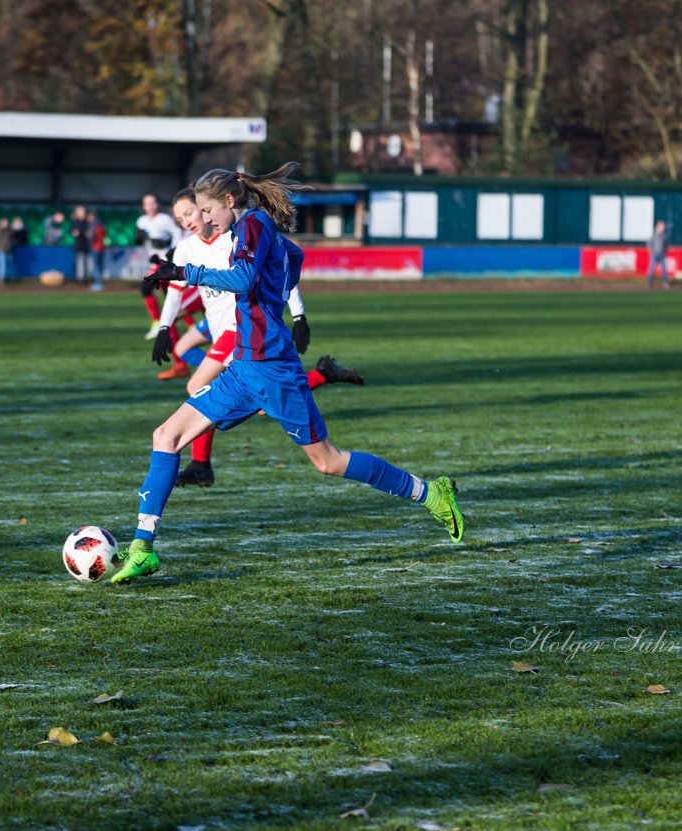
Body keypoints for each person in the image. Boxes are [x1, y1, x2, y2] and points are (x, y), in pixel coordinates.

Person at [110, 163, 464, 584]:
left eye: (206, 211)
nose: (203, 220)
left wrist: (186, 272)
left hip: (273, 368)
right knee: (165, 436)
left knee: (329, 462)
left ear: (228, 200)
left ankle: (430, 493)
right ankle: (143, 548)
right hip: (244, 367)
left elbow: (243, 278)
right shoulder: (247, 229)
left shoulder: (253, 225)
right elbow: (293, 257)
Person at [154, 187, 365, 488]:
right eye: (182, 217)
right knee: (259, 400)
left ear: (214, 206)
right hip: (219, 328)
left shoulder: (239, 232)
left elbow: (282, 264)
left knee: (196, 384)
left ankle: (201, 465)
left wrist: (298, 314)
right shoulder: (187, 247)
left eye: (195, 211)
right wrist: (164, 327)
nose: (192, 219)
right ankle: (321, 374)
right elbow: (179, 294)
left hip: (240, 331)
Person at [136, 193, 184, 339]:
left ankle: (157, 322)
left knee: (146, 287)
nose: (150, 206)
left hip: (164, 262)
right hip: (153, 261)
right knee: (168, 294)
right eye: (147, 203)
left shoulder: (164, 219)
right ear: (143, 206)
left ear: (157, 204)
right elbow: (140, 240)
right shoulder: (141, 221)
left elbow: (177, 234)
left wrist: (170, 249)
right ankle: (188, 324)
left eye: (153, 203)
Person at [70, 205, 92, 284]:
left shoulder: (87, 221)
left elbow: (89, 232)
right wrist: (75, 232)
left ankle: (87, 278)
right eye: (80, 211)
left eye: (82, 210)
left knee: (87, 262)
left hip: (86, 245)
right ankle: (79, 279)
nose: (82, 212)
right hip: (79, 244)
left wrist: (87, 234)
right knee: (79, 262)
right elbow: (73, 231)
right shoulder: (75, 221)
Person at [646, 220, 669, 288]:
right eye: (661, 226)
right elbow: (649, 244)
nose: (662, 228)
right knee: (652, 269)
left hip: (662, 254)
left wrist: (665, 251)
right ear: (658, 227)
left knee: (664, 269)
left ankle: (665, 282)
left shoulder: (664, 235)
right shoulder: (654, 235)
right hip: (655, 254)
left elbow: (666, 245)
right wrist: (652, 251)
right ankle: (650, 282)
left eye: (663, 226)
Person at [89, 207, 107, 292]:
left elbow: (92, 237)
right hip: (102, 247)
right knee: (100, 265)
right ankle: (100, 282)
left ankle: (98, 283)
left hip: (95, 247)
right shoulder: (102, 225)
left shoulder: (93, 226)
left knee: (96, 266)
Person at [0, 217, 14, 282]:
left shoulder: (9, 230)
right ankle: (2, 279)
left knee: (9, 265)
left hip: (9, 249)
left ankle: (8, 279)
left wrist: (8, 226)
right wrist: (2, 226)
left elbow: (13, 232)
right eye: (3, 222)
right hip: (1, 249)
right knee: (3, 265)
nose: (5, 224)